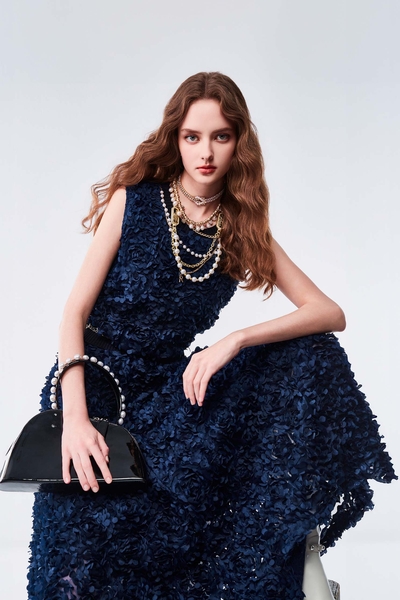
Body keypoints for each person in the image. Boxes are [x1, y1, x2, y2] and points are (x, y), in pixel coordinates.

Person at [27, 72, 396, 600]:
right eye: (192, 137)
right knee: (77, 562)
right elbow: (74, 313)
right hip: (96, 386)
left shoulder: (242, 229)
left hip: (171, 391)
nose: (205, 152)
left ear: (238, 142)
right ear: (175, 139)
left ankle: (290, 552)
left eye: (220, 136)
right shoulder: (135, 201)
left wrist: (236, 339)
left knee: (310, 353)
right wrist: (75, 418)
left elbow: (327, 313)